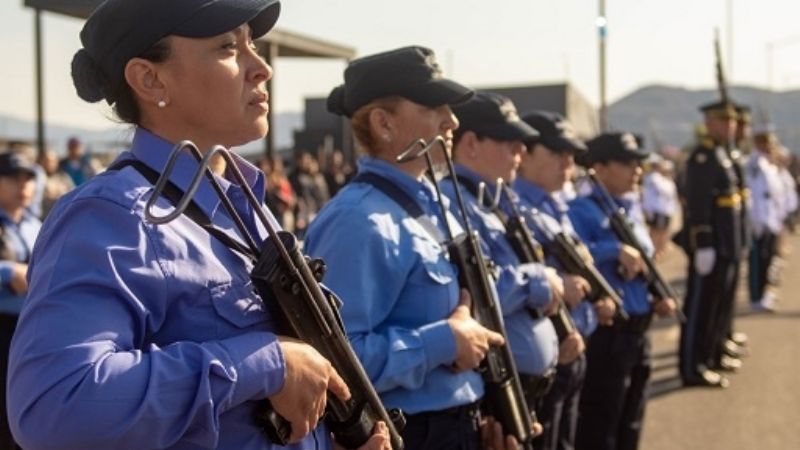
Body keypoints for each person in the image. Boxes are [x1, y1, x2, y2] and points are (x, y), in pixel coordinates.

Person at [6, 1, 389, 449]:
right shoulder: (113, 216)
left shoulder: (245, 206)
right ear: (150, 79)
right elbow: (54, 408)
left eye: (253, 45)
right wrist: (265, 363)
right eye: (228, 47)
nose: (261, 68)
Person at [304, 46, 518, 450]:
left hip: (457, 422)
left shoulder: (431, 203)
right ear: (384, 124)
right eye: (434, 107)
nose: (451, 120)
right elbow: (335, 360)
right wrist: (444, 342)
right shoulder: (358, 219)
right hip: (412, 432)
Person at [443, 93, 565, 438]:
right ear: (471, 144)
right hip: (499, 395)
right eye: (510, 143)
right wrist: (538, 280)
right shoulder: (455, 203)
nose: (521, 153)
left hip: (527, 390)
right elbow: (478, 291)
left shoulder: (490, 199)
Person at [514, 110, 618, 450]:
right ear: (525, 153)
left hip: (576, 345)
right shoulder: (516, 208)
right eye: (557, 153)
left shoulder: (556, 204)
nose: (567, 163)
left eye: (571, 155)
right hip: (549, 356)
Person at [567, 132, 677, 450]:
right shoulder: (580, 209)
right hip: (608, 331)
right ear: (599, 168)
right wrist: (612, 249)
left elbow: (644, 263)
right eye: (627, 163)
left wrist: (657, 295)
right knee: (601, 422)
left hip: (639, 328)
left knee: (632, 416)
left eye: (639, 163)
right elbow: (573, 252)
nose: (637, 170)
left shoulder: (630, 208)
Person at [678, 100, 743, 388]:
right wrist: (703, 241)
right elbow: (698, 204)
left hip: (726, 242)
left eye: (731, 121)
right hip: (711, 245)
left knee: (717, 306)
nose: (730, 126)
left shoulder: (721, 153)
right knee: (700, 309)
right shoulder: (703, 157)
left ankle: (712, 355)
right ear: (709, 123)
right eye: (724, 121)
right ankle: (693, 366)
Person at [0, 152, 42, 450]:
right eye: (14, 178)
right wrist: (8, 271)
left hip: (29, 328)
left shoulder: (35, 223)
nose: (23, 185)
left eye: (28, 179)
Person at [745, 124, 784, 313]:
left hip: (770, 219)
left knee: (767, 258)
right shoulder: (754, 165)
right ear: (759, 143)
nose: (772, 146)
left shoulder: (768, 165)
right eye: (768, 142)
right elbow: (753, 195)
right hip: (758, 219)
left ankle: (763, 294)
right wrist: (755, 220)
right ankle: (755, 297)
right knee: (757, 261)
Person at [641, 155, 679, 258]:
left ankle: (658, 250)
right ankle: (652, 251)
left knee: (663, 231)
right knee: (656, 231)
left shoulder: (662, 178)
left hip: (664, 210)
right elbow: (664, 191)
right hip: (657, 209)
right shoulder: (652, 177)